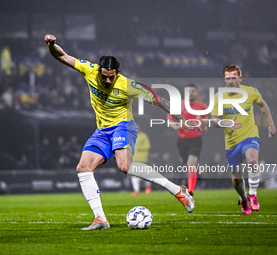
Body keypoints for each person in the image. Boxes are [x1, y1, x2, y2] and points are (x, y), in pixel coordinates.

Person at [44, 33, 197, 230]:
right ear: (99, 70)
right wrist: (51, 45)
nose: (107, 81)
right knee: (83, 168)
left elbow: (158, 99)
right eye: (104, 76)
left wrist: (181, 119)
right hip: (101, 131)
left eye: (111, 77)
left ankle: (177, 190)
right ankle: (100, 219)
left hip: (123, 126)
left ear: (118, 73)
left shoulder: (127, 85)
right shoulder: (89, 70)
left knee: (124, 166)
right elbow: (62, 56)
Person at [210, 64, 276, 215]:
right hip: (232, 142)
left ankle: (253, 193)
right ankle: (244, 198)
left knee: (252, 160)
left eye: (233, 78)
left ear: (240, 78)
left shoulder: (250, 91)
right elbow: (213, 120)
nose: (231, 82)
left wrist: (271, 125)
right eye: (227, 79)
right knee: (236, 179)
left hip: (250, 135)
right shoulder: (219, 97)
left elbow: (263, 105)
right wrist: (223, 122)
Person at [167, 84, 208, 196]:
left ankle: (190, 191)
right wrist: (176, 127)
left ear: (197, 93)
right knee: (188, 165)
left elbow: (204, 119)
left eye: (193, 91)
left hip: (195, 139)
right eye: (189, 91)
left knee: (191, 164)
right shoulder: (178, 105)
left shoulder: (202, 106)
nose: (191, 93)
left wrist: (204, 127)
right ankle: (196, 173)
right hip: (182, 141)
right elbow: (169, 120)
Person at [131, 124, 152, 196]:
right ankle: (136, 190)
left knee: (145, 175)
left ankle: (148, 187)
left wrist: (140, 147)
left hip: (142, 158)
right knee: (134, 175)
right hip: (134, 158)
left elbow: (148, 145)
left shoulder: (143, 136)